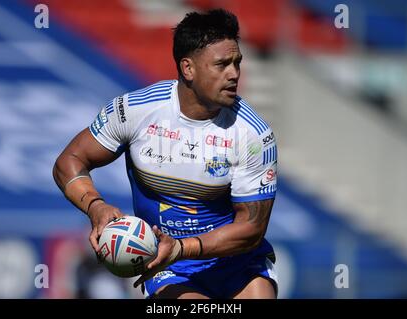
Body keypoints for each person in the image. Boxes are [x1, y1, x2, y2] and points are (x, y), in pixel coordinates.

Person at [53, 8, 278, 299]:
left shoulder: (253, 135)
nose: (234, 73)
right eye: (222, 64)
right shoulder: (134, 111)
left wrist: (182, 246)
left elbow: (251, 228)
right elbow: (69, 162)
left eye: (237, 63)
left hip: (236, 261)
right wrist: (95, 207)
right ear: (188, 68)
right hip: (168, 265)